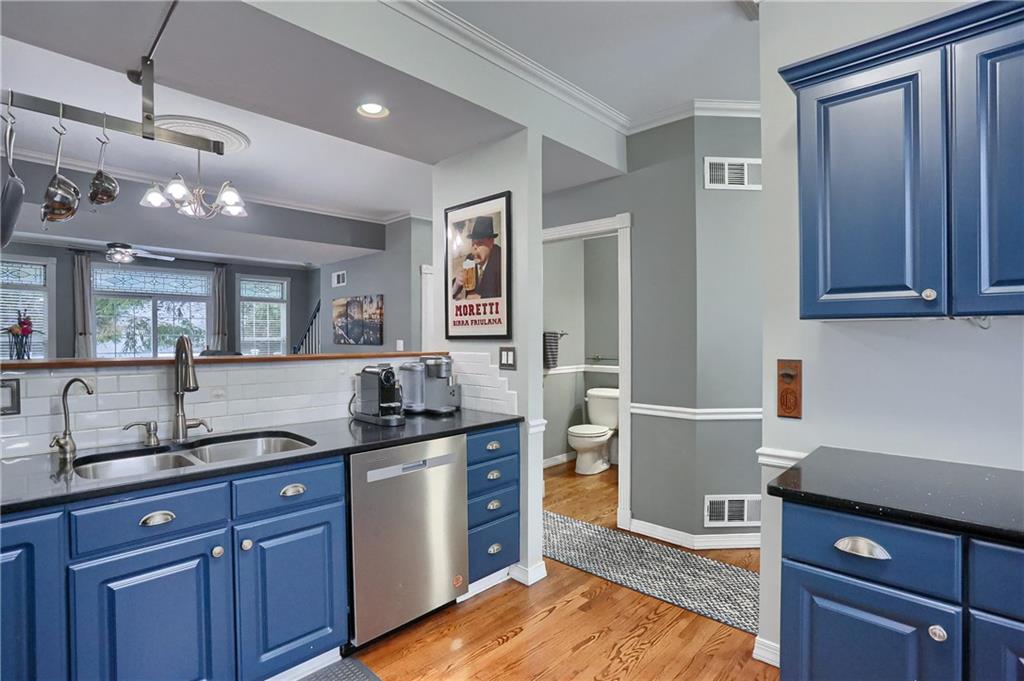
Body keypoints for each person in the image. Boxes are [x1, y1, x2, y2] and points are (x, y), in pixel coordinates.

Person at [452, 215, 502, 299]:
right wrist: (456, 284)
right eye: (473, 243)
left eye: (479, 243)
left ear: (491, 243)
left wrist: (481, 299)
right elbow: (449, 294)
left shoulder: (500, 259)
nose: (474, 248)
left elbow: (505, 294)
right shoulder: (470, 258)